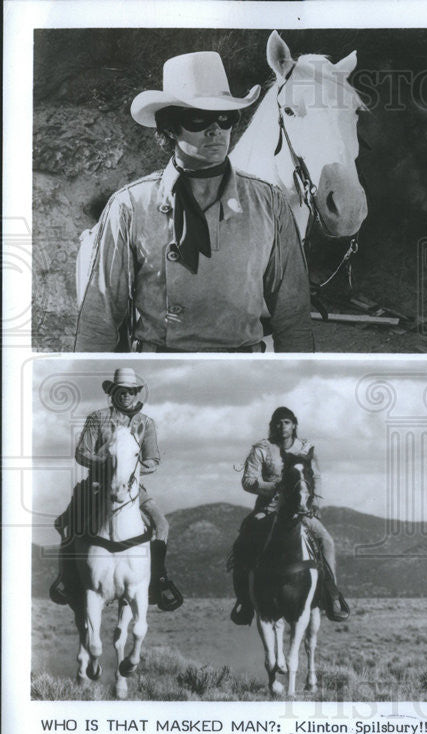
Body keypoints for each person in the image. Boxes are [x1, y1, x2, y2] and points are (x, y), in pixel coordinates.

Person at [75, 50, 314, 353]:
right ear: (170, 127)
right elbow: (99, 317)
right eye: (198, 118)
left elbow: (293, 317)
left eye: (225, 118)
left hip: (242, 379)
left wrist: (296, 392)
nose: (216, 130)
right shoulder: (130, 206)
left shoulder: (268, 204)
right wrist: (91, 392)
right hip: (159, 379)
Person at [50, 368, 182, 611]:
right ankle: (66, 579)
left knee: (161, 525)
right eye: (121, 391)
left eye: (130, 391)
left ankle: (158, 580)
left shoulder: (146, 423)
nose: (126, 395)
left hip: (133, 487)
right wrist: (107, 463)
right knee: (67, 524)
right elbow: (82, 453)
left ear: (136, 393)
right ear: (113, 392)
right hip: (96, 484)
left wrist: (134, 468)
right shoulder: (97, 418)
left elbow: (153, 459)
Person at [229, 407, 350, 624]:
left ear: (294, 424)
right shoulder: (262, 449)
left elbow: (316, 478)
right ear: (272, 425)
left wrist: (315, 503)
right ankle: (244, 600)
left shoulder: (306, 449)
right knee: (244, 539)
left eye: (286, 422)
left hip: (301, 509)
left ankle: (331, 594)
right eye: (278, 422)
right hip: (268, 510)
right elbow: (248, 480)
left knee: (326, 541)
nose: (282, 426)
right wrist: (276, 487)